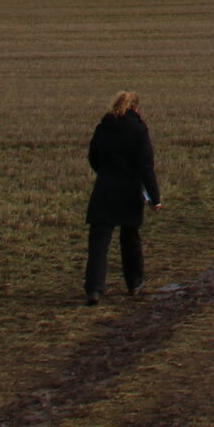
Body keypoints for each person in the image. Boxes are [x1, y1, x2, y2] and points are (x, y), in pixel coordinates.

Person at [84, 91, 160, 305]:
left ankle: (94, 289)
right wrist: (155, 198)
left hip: (104, 190)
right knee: (130, 238)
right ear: (135, 108)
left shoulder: (103, 128)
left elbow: (93, 157)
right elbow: (146, 167)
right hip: (129, 191)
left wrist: (106, 173)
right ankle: (134, 284)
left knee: (98, 242)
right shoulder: (139, 130)